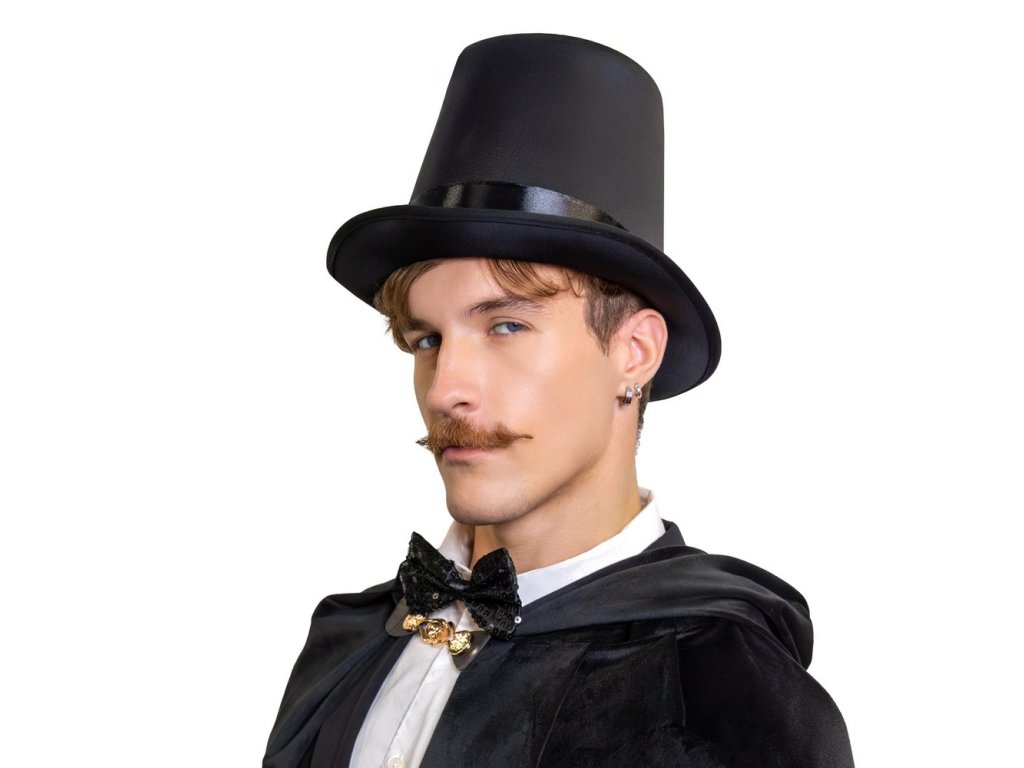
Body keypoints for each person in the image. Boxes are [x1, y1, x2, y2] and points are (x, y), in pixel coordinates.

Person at [264, 33, 854, 768]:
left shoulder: (721, 686)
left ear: (634, 353)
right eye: (426, 339)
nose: (446, 388)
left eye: (506, 326)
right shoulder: (348, 642)